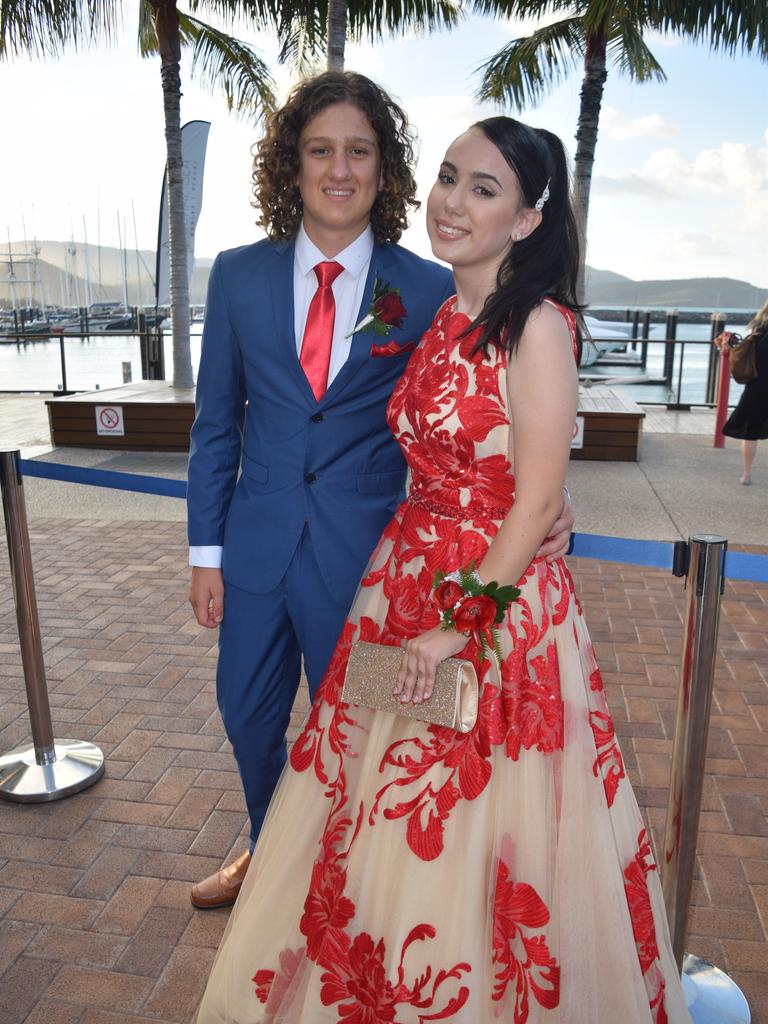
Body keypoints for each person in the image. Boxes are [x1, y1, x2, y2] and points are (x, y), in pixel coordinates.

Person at [195, 116, 691, 1022]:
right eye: (451, 178)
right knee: (383, 814)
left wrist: (458, 622)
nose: (454, 202)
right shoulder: (447, 314)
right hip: (403, 590)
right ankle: (386, 985)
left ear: (529, 219)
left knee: (479, 822)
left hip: (484, 617)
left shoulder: (538, 326)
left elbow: (535, 501)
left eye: (485, 188)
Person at [186, 71, 574, 910]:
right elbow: (217, 425)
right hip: (255, 553)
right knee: (249, 719)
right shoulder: (237, 276)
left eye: (358, 151)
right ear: (291, 165)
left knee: (361, 737)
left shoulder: (432, 283)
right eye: (320, 150)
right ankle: (268, 850)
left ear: (382, 167)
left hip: (370, 566)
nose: (338, 169)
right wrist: (204, 553)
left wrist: (544, 500)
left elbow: (500, 403)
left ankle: (341, 880)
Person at [722, 299, 768, 484]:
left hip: (758, 386)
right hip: (758, 385)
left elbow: (748, 353)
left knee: (751, 430)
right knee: (752, 429)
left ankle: (747, 475)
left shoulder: (759, 329)